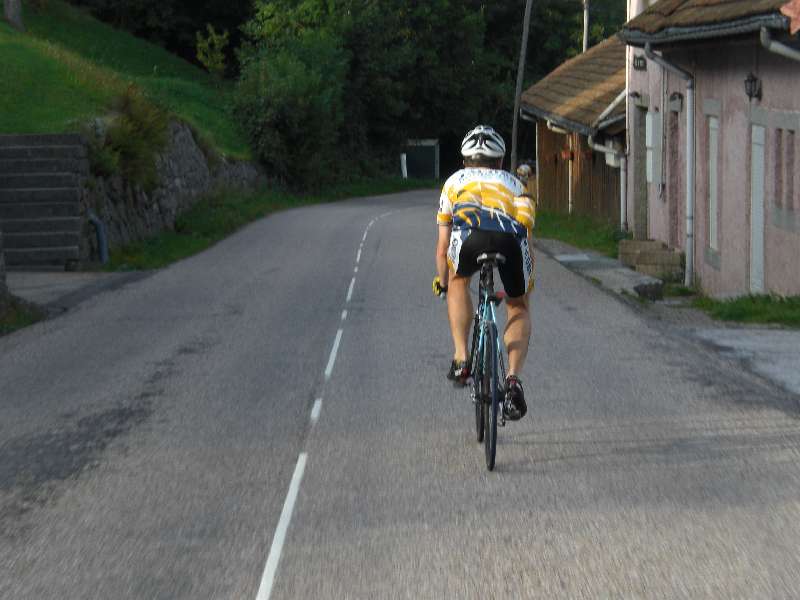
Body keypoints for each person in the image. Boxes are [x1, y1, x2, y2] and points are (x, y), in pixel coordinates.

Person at [432, 125, 534, 420]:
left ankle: (462, 357)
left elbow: (442, 249)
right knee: (518, 305)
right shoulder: (515, 184)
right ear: (500, 161)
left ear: (465, 161)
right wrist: (523, 290)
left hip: (470, 240)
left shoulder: (453, 183)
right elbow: (527, 235)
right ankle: (513, 380)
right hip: (509, 240)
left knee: (458, 282)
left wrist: (443, 282)